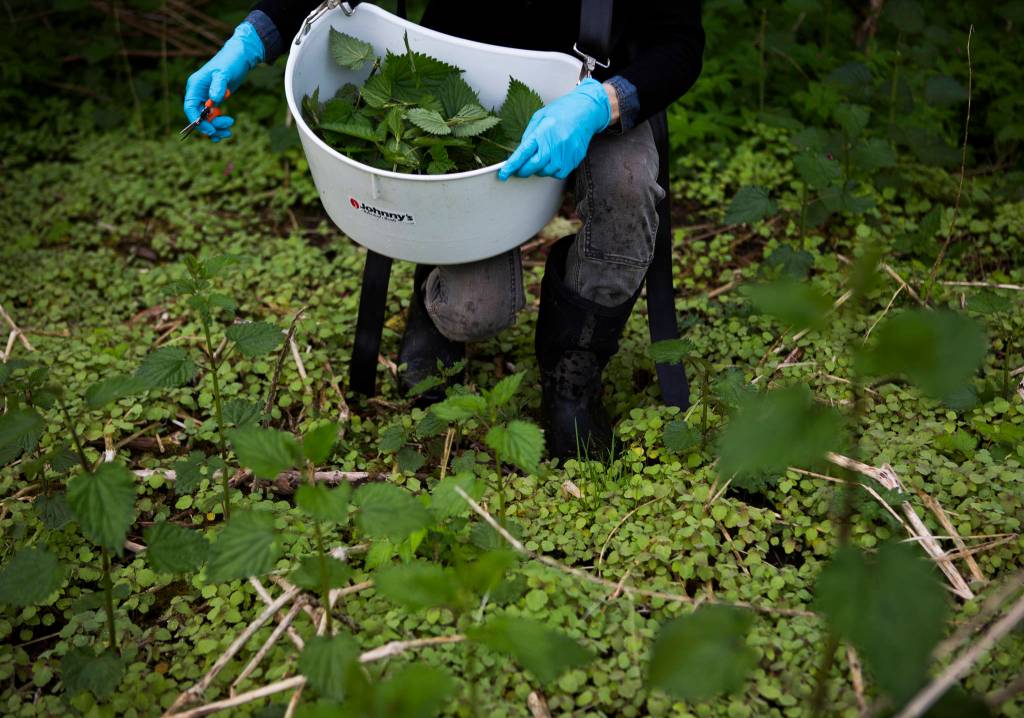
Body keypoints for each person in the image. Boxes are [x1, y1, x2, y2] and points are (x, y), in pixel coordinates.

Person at [184, 1, 704, 461]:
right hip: (462, 86)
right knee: (472, 310)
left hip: (597, 88)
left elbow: (679, 44)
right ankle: (435, 298)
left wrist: (602, 104)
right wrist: (250, 40)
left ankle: (575, 369)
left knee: (629, 186)